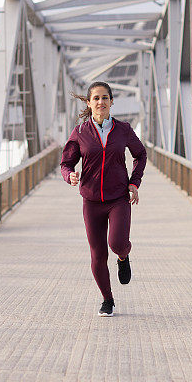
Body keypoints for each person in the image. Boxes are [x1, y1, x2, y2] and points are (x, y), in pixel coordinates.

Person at [60, 81, 147, 317]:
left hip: (118, 198)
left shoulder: (123, 129)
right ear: (89, 103)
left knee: (117, 243)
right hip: (91, 201)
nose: (101, 102)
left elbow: (140, 154)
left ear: (111, 102)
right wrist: (70, 176)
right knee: (98, 254)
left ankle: (123, 256)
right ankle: (107, 299)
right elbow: (66, 162)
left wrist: (134, 182)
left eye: (105, 98)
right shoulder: (80, 132)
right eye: (96, 98)